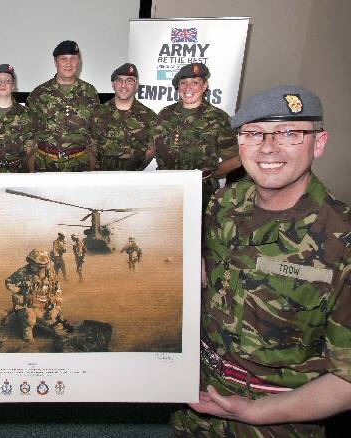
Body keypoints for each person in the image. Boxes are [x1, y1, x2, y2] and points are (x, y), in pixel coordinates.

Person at [173, 85, 351, 436]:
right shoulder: (222, 205)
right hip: (198, 401)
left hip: (278, 419)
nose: (268, 147)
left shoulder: (341, 243)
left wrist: (256, 412)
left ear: (319, 143)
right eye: (253, 133)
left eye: (289, 132)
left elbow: (347, 379)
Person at [153, 63, 241, 209]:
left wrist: (208, 176)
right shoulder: (165, 114)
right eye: (183, 83)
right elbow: (154, 148)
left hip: (201, 193)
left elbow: (235, 160)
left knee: (198, 231)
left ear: (205, 85)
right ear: (178, 87)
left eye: (195, 82)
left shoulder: (218, 118)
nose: (188, 88)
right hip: (166, 189)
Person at [26, 40, 99, 171]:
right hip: (45, 164)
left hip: (80, 165)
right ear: (55, 62)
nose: (69, 63)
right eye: (63, 59)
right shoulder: (38, 94)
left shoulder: (90, 92)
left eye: (73, 58)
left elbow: (95, 133)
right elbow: (29, 135)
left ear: (79, 61)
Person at [90, 63, 157, 170]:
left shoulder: (149, 117)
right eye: (119, 80)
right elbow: (91, 148)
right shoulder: (98, 114)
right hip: (101, 179)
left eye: (129, 80)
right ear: (113, 84)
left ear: (137, 85)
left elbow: (151, 151)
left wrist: (134, 170)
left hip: (132, 181)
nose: (123, 85)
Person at [5, 249, 65, 342]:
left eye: (40, 265)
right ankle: (27, 332)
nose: (32, 266)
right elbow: (8, 282)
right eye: (33, 263)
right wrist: (20, 291)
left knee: (56, 324)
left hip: (43, 307)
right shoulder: (23, 272)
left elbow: (57, 291)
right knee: (30, 319)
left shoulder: (51, 273)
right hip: (28, 307)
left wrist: (55, 309)